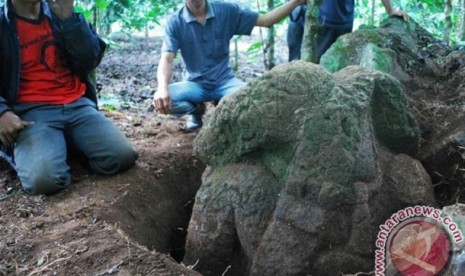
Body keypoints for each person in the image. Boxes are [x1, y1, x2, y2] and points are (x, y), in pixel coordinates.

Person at [0, 0, 138, 195]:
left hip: (77, 104)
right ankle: (36, 151)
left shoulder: (60, 12)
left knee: (121, 156)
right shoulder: (3, 24)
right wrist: (2, 112)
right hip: (32, 113)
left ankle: (63, 145)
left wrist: (69, 20)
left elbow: (90, 60)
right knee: (44, 182)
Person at [153, 0, 306, 131]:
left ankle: (224, 104)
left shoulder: (225, 10)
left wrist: (296, 1)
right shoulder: (175, 22)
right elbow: (166, 59)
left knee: (253, 101)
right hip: (195, 84)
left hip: (224, 82)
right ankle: (196, 110)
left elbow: (266, 20)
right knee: (162, 100)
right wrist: (162, 88)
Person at [287, 0, 409, 62]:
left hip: (337, 20)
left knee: (326, 68)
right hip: (316, 20)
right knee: (303, 66)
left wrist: (390, 11)